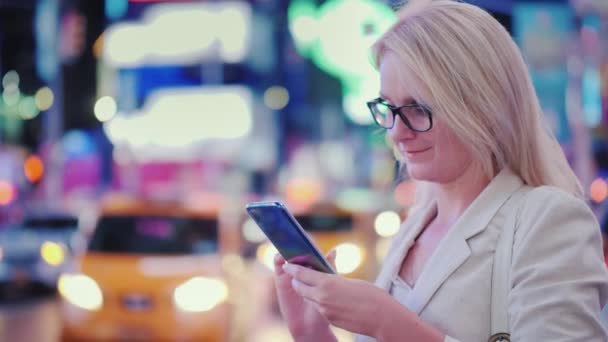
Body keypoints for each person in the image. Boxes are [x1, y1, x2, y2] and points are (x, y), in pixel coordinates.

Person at [273, 1, 608, 341]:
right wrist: (311, 331)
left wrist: (388, 323)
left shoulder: (548, 219)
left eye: (418, 108)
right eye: (388, 107)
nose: (395, 132)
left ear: (482, 106)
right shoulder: (415, 226)